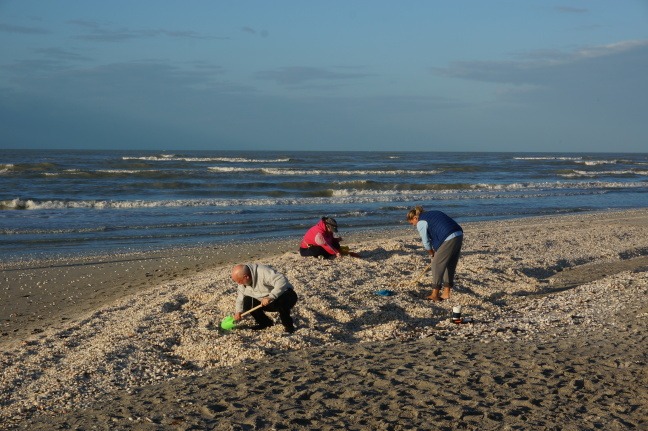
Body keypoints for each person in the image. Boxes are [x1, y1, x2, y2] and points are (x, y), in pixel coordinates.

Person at [406, 205, 463, 302]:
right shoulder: (434, 213)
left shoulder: (421, 222)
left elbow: (426, 242)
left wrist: (432, 254)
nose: (414, 225)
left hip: (448, 236)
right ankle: (446, 293)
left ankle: (435, 294)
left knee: (437, 265)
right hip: (458, 233)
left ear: (415, 218)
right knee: (450, 264)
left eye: (412, 223)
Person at [231, 264, 298, 333]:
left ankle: (289, 326)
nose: (238, 284)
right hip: (264, 301)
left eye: (239, 281)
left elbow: (282, 280)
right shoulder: (242, 283)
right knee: (247, 302)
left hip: (284, 295)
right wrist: (238, 311)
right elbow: (240, 298)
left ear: (246, 277)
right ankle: (265, 323)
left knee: (282, 302)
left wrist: (271, 296)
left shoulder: (263, 272)